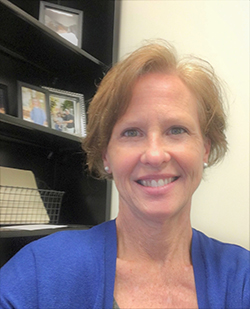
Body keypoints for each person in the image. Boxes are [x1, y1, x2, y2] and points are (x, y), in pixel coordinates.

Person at [0, 41, 249, 309]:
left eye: (177, 130)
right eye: (131, 132)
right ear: (106, 154)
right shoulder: (41, 272)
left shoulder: (241, 278)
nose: (155, 155)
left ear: (205, 149)